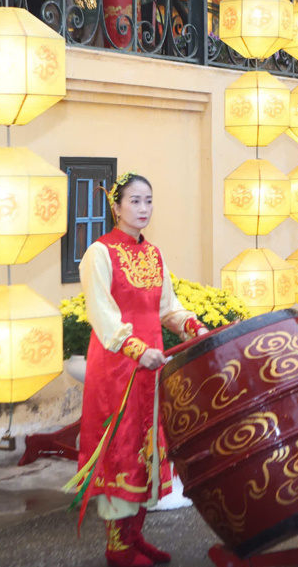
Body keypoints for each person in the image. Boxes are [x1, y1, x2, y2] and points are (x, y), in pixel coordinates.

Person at [77, 173, 208, 567]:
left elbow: (167, 307)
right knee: (121, 446)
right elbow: (103, 316)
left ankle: (135, 537)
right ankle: (117, 547)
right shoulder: (99, 253)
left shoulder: (153, 254)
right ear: (116, 207)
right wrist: (136, 349)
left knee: (148, 447)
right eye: (134, 201)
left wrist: (194, 326)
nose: (143, 209)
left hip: (153, 367)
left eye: (148, 200)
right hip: (118, 366)